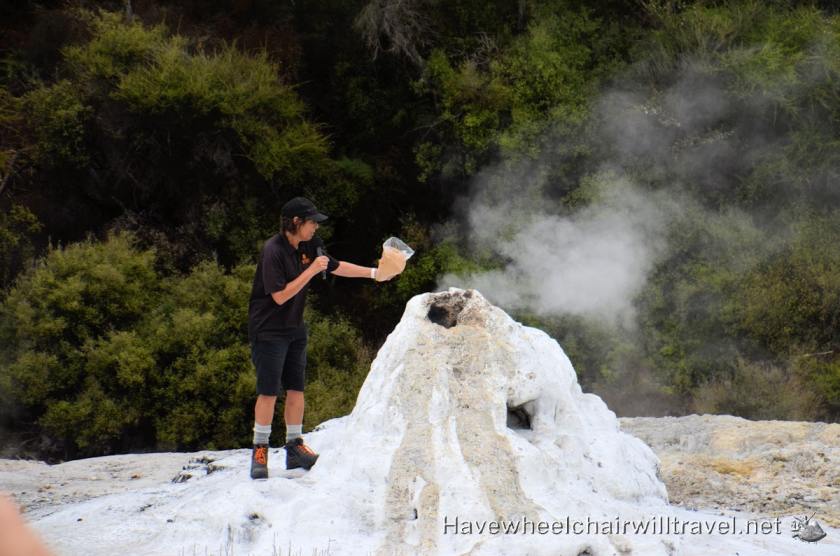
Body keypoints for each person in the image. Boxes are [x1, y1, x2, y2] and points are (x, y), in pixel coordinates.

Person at [247, 196, 389, 479]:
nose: (315, 228)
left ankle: (294, 447)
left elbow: (334, 266)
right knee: (268, 391)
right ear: (296, 222)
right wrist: (311, 270)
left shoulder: (310, 245)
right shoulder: (272, 250)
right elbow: (279, 296)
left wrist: (375, 273)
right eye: (312, 222)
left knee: (297, 388)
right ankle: (259, 450)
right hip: (268, 328)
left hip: (294, 326)